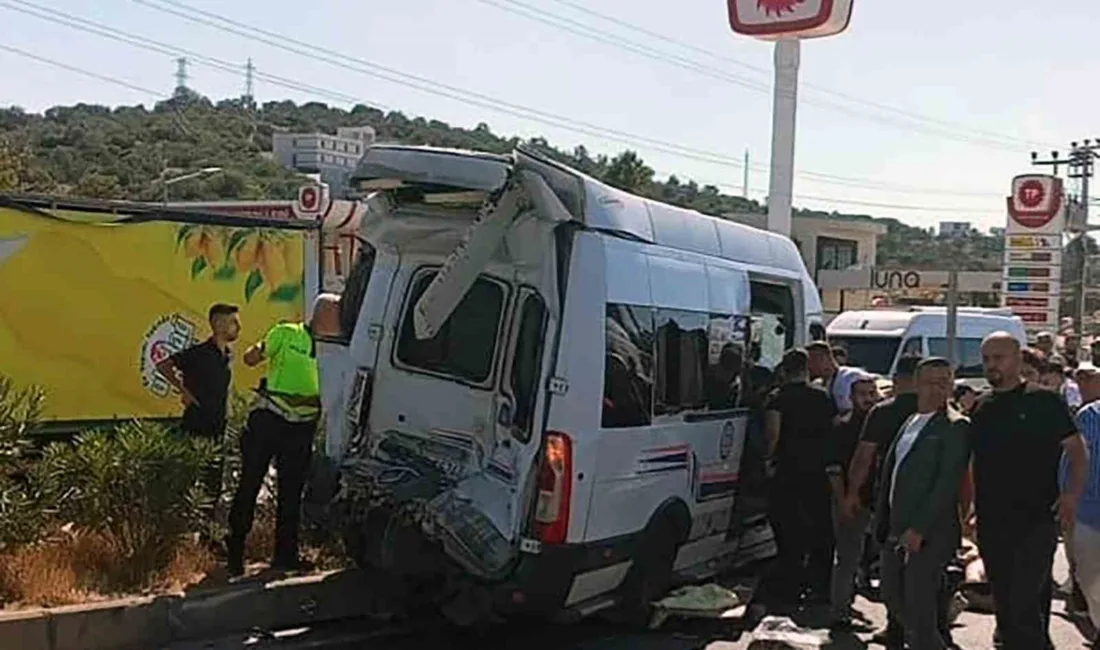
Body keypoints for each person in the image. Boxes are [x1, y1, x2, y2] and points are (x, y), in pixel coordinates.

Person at [969, 332, 1089, 650]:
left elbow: (1077, 450)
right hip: (993, 521)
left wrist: (1071, 496)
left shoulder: (1043, 401)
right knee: (1009, 607)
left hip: (1037, 518)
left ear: (1018, 359)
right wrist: (969, 510)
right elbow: (973, 463)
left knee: (1022, 602)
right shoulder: (981, 406)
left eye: (999, 358)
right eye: (986, 359)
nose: (991, 365)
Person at [876, 357, 971, 650]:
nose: (938, 389)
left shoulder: (955, 426)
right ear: (916, 384)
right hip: (895, 526)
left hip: (930, 532)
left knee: (919, 604)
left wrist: (919, 528)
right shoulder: (911, 420)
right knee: (892, 595)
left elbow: (946, 483)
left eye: (945, 382)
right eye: (931, 382)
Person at [226, 314, 322, 577]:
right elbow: (251, 357)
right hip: (270, 419)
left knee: (292, 492)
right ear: (319, 316)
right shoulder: (286, 332)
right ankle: (234, 551)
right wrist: (257, 351)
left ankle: (285, 556)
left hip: (302, 427)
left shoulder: (335, 348)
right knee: (250, 482)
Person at [842, 355, 922, 649]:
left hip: (889, 500)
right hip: (929, 502)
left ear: (898, 378)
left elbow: (863, 456)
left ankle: (898, 627)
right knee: (924, 569)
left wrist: (852, 492)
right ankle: (926, 627)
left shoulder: (882, 412)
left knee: (892, 565)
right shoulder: (937, 411)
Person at [761, 348, 837, 611]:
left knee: (787, 530)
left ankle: (790, 586)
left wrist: (767, 460)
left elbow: (773, 434)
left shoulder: (778, 398)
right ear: (806, 368)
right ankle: (819, 586)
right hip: (817, 472)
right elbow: (832, 430)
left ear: (784, 369)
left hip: (787, 471)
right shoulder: (823, 396)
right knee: (819, 529)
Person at [156, 303, 241, 535]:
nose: (238, 327)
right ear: (218, 324)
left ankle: (208, 538)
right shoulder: (199, 353)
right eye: (233, 322)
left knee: (213, 486)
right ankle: (174, 534)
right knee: (188, 480)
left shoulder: (227, 355)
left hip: (218, 427)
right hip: (197, 424)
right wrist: (183, 391)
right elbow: (164, 365)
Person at [826, 373, 879, 628]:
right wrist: (844, 499)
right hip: (851, 501)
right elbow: (833, 468)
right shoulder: (843, 426)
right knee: (847, 557)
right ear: (850, 397)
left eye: (872, 393)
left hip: (877, 499)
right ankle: (841, 613)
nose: (869, 399)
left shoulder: (881, 421)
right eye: (863, 394)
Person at [1065, 361, 1100, 635]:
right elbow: (1070, 461)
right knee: (1089, 580)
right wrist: (1066, 498)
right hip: (1089, 514)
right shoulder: (1089, 416)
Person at [807, 341, 863, 419]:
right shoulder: (817, 385)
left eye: (812, 361)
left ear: (826, 358)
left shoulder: (851, 377)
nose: (809, 366)